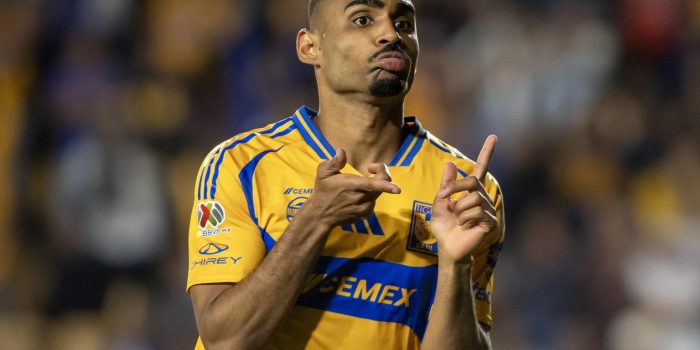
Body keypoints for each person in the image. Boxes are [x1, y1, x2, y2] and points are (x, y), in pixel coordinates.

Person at [186, 0, 505, 349]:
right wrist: (314, 219)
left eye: (403, 24)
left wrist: (455, 266)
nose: (390, 34)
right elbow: (224, 340)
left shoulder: (468, 190)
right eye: (363, 19)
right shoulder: (241, 165)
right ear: (310, 47)